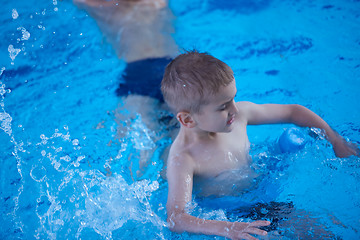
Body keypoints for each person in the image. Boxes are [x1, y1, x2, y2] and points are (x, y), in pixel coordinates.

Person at [161, 50, 359, 239]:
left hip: (263, 186)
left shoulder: (239, 116)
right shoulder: (184, 158)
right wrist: (227, 228)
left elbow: (293, 112)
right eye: (224, 106)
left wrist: (335, 140)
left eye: (233, 99)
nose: (235, 109)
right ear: (187, 120)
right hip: (233, 213)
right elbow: (176, 218)